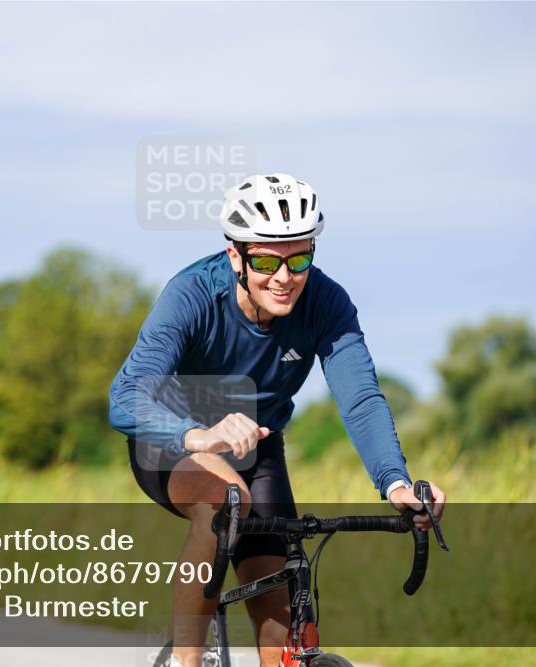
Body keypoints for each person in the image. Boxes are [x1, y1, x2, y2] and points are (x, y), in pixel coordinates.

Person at [108, 173, 446, 667]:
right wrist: (199, 434)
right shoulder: (191, 296)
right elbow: (124, 396)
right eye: (265, 260)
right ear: (235, 257)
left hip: (258, 449)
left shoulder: (327, 303)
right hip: (173, 442)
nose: (284, 277)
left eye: (299, 259)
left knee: (283, 612)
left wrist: (395, 483)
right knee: (226, 501)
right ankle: (185, 661)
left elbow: (361, 400)